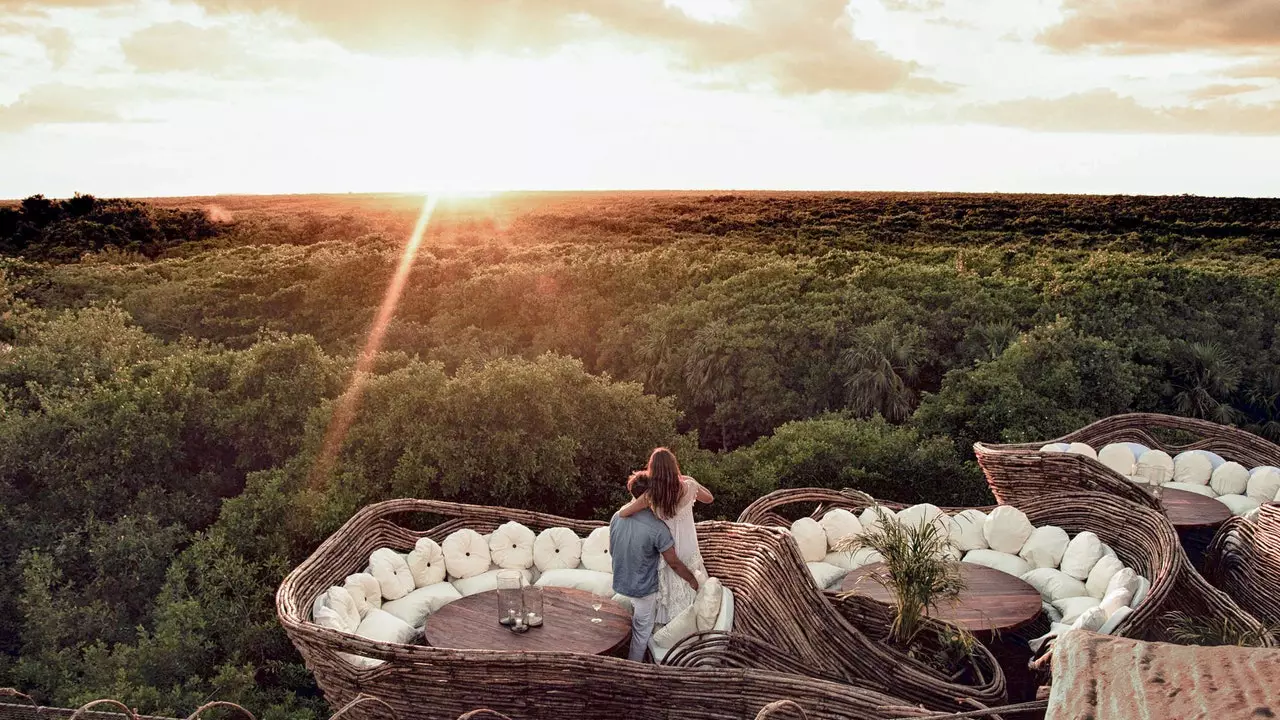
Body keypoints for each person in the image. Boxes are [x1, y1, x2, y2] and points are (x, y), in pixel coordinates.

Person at [616, 447, 714, 623]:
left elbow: (623, 513)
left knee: (668, 596)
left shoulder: (651, 496)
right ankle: (691, 625)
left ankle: (667, 629)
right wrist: (690, 480)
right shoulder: (689, 486)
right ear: (674, 467)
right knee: (694, 592)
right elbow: (709, 498)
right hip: (688, 548)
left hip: (666, 550)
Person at [610, 472, 700, 662]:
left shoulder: (617, 517)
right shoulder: (657, 528)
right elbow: (673, 562)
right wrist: (692, 579)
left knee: (633, 622)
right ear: (652, 494)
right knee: (642, 633)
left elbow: (612, 550)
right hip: (643, 589)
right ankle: (633, 668)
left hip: (621, 581)